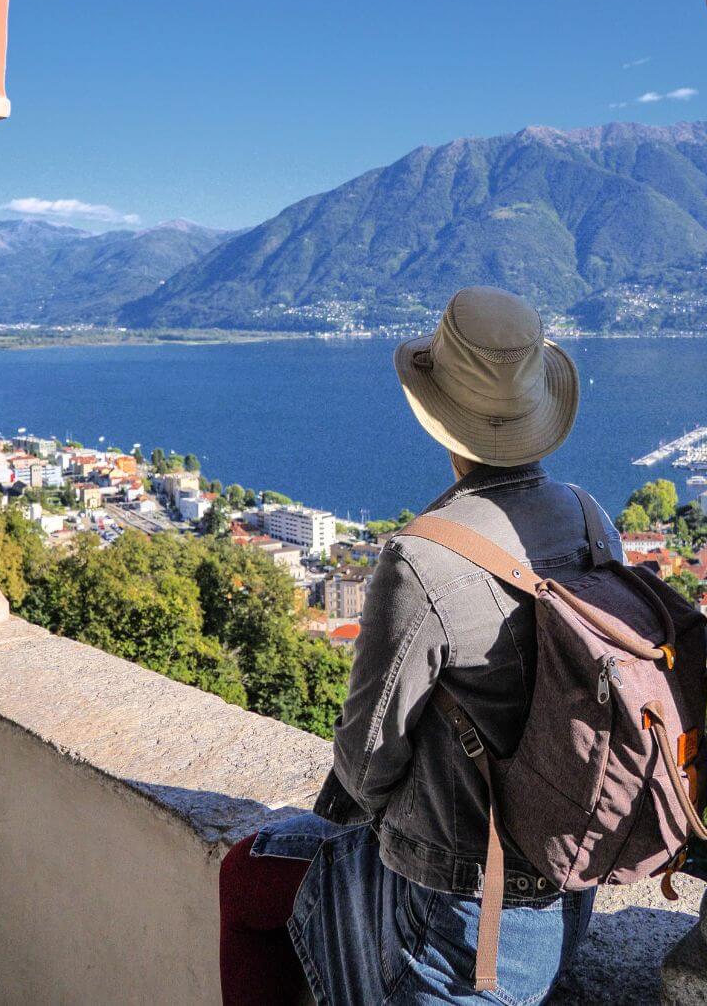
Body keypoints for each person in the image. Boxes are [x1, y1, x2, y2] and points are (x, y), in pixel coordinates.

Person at [220, 286, 621, 1005]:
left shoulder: (424, 559)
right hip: (569, 899)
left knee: (247, 876)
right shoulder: (591, 520)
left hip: (457, 926)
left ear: (440, 418)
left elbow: (367, 764)